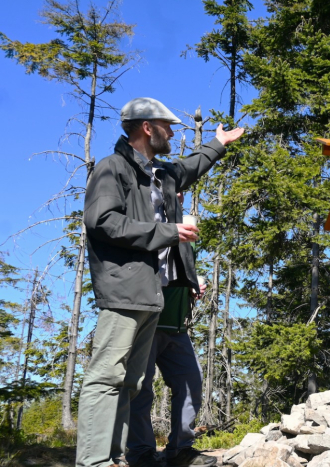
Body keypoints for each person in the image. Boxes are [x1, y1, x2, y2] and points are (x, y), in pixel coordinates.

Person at [78, 97, 243, 467]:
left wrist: (218, 144)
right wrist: (166, 231)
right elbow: (102, 221)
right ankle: (94, 461)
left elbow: (189, 167)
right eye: (166, 126)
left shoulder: (161, 175)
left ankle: (116, 458)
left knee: (132, 384)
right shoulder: (113, 168)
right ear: (147, 128)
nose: (172, 132)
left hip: (155, 297)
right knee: (107, 378)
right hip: (125, 291)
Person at [126, 192, 214, 467]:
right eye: (169, 190)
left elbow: (182, 267)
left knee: (191, 384)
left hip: (176, 327)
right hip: (146, 323)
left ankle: (180, 450)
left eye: (179, 191)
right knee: (140, 390)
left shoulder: (186, 225)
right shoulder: (143, 224)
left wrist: (196, 280)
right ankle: (141, 454)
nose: (177, 194)